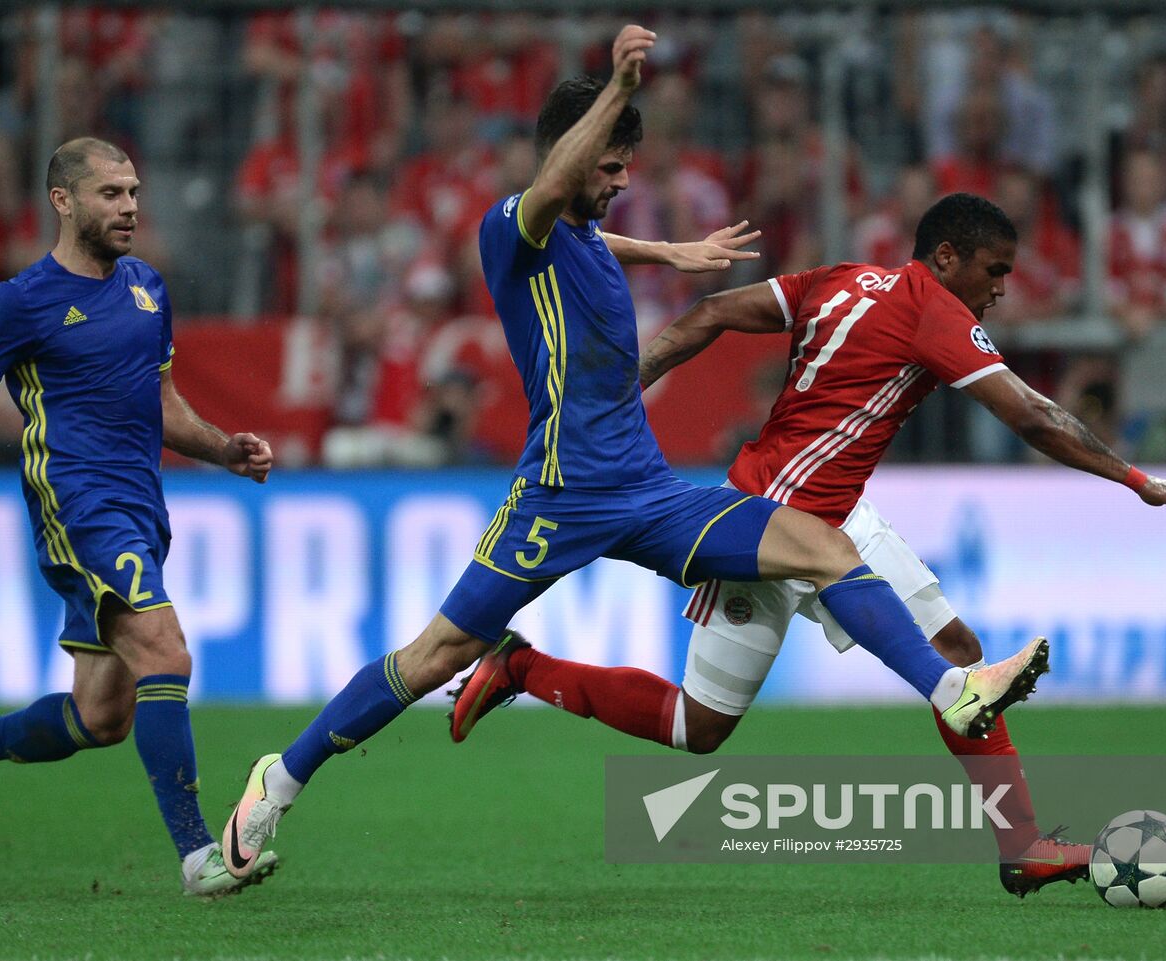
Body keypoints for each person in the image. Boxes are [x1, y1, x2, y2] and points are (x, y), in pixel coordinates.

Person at [220, 27, 1052, 880]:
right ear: (572, 153)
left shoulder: (576, 234)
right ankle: (277, 782)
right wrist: (618, 86)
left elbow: (592, 232)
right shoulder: (514, 225)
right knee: (436, 652)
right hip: (557, 494)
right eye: (610, 166)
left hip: (647, 491)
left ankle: (956, 688)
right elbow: (549, 189)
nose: (620, 184)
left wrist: (669, 251)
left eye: (626, 168)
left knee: (824, 544)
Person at [451, 191, 1166, 898]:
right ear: (947, 258)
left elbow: (711, 310)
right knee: (698, 726)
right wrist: (1134, 478)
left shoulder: (840, 278)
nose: (1000, 288)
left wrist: (619, 394)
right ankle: (522, 665)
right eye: (994, 269)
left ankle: (1022, 844)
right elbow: (1032, 417)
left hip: (837, 511)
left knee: (957, 651)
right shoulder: (934, 314)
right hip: (771, 522)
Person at [0, 137, 279, 897]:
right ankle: (198, 856)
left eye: (134, 192)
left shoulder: (147, 287)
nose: (130, 207)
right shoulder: (21, 301)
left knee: (102, 715)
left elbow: (164, 406)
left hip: (141, 508)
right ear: (63, 201)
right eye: (111, 193)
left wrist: (225, 450)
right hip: (76, 507)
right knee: (166, 651)